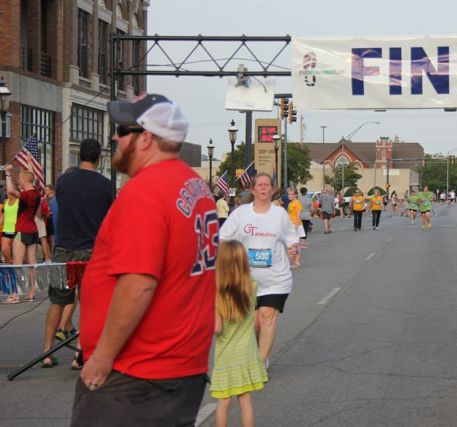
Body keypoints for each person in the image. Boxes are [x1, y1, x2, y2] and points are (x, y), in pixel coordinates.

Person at [71, 94, 217, 426]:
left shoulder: (145, 191)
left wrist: (102, 357)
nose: (114, 138)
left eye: (122, 130)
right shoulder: (196, 186)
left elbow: (138, 285)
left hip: (135, 375)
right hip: (181, 367)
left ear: (146, 138)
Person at [42, 138, 113, 370]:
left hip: (63, 248)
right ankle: (79, 354)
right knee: (88, 303)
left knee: (57, 301)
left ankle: (47, 352)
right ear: (98, 158)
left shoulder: (63, 181)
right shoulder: (105, 185)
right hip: (90, 250)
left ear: (79, 155)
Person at [219, 173, 298, 367]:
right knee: (254, 324)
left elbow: (292, 239)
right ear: (252, 189)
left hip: (276, 279)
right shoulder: (240, 214)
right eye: (259, 185)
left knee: (267, 317)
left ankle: (260, 364)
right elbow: (223, 238)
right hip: (247, 280)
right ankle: (257, 353)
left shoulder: (280, 214)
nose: (263, 188)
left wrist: (293, 249)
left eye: (267, 185)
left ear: (272, 189)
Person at [211, 240, 268, 427]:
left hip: (226, 354)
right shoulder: (252, 286)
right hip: (247, 351)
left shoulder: (217, 293)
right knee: (245, 400)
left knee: (223, 401)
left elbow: (217, 328)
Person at [4, 165, 40, 303]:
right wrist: (30, 163)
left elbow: (10, 190)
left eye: (20, 179)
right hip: (33, 230)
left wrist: (8, 174)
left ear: (25, 180)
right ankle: (31, 293)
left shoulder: (26, 195)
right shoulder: (36, 193)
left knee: (17, 263)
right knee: (32, 262)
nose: (18, 181)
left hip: (21, 230)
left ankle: (15, 294)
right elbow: (31, 177)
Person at [287, 188, 303, 268]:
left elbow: (298, 215)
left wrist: (296, 226)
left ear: (295, 195)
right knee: (292, 244)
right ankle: (294, 261)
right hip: (291, 225)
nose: (289, 196)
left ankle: (296, 261)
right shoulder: (290, 203)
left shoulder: (297, 203)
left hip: (295, 225)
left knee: (295, 244)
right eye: (289, 194)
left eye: (291, 194)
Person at [1, 193, 18, 264]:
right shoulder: (5, 201)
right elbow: (3, 215)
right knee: (4, 250)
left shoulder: (19, 201)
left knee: (16, 253)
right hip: (6, 229)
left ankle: (17, 267)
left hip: (17, 229)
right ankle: (10, 265)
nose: (7, 193)